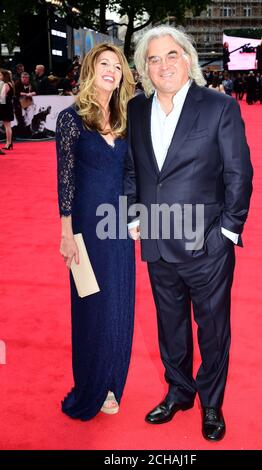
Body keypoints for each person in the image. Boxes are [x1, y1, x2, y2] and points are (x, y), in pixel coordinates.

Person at [125, 26, 253, 441]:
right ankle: (179, 391)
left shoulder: (218, 106)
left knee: (213, 328)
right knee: (170, 324)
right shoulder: (137, 108)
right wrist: (133, 217)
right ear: (145, 67)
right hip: (157, 241)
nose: (163, 66)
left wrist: (228, 232)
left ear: (188, 59)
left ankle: (211, 403)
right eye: (154, 58)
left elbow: (239, 173)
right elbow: (133, 169)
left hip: (208, 244)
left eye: (171, 56)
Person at [56, 43, 136, 420]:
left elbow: (135, 175)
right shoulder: (71, 119)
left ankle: (110, 383)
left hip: (118, 227)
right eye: (104, 63)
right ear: (91, 69)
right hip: (86, 229)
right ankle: (91, 383)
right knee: (92, 307)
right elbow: (66, 180)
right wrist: (66, 232)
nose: (111, 70)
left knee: (119, 306)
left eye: (117, 66)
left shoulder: (126, 118)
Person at [0, 69, 14, 155]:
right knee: (7, 125)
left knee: (7, 125)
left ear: (4, 76)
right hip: (7, 106)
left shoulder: (6, 84)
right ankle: (9, 143)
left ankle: (8, 143)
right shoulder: (10, 83)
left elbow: (2, 96)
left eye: (0, 75)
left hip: (4, 106)